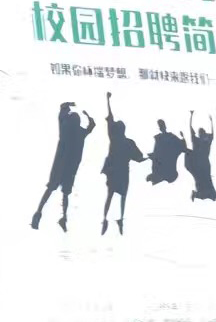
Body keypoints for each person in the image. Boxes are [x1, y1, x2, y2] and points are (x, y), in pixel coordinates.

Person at [31, 101, 95, 232]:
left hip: (60, 166)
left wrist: (68, 105)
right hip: (70, 168)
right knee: (65, 193)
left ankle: (38, 213)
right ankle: (63, 218)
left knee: (50, 189)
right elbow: (92, 125)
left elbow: (62, 112)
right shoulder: (80, 133)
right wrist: (87, 115)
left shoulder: (65, 130)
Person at [100, 93, 144, 236]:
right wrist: (148, 158)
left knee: (110, 195)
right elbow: (139, 157)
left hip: (113, 171)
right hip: (123, 173)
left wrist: (107, 100)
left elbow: (110, 117)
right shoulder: (128, 143)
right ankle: (120, 220)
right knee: (122, 197)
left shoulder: (114, 139)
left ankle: (105, 219)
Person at [185, 111, 216, 203]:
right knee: (202, 180)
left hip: (204, 163)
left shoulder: (203, 140)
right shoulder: (200, 140)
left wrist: (211, 121)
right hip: (201, 164)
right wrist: (191, 116)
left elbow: (212, 134)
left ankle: (201, 194)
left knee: (205, 180)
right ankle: (199, 194)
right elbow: (191, 128)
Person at [146, 119, 186, 186]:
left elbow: (181, 147)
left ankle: (159, 176)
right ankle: (158, 176)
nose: (161, 128)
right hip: (163, 164)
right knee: (158, 166)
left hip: (168, 164)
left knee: (162, 168)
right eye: (160, 126)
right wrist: (153, 155)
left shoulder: (170, 137)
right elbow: (156, 151)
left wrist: (183, 138)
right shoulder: (159, 138)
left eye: (162, 126)